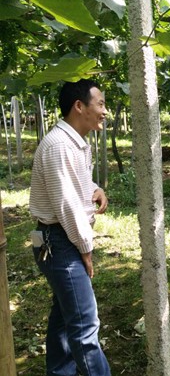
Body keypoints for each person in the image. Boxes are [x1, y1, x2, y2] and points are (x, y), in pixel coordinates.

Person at [29, 79, 111, 376]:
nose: (105, 112)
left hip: (63, 240)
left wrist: (95, 188)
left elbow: (74, 185)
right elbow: (66, 205)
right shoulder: (59, 145)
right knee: (85, 326)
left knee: (65, 318)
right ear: (79, 106)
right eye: (100, 104)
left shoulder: (73, 142)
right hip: (60, 242)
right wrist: (85, 248)